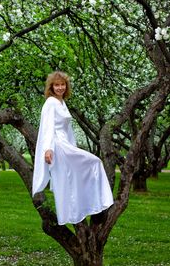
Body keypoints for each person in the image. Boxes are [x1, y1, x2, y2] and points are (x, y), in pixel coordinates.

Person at [32, 71, 114, 225]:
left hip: (66, 144)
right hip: (58, 145)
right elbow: (48, 127)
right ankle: (90, 204)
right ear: (51, 87)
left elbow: (67, 129)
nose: (60, 87)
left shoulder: (62, 102)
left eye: (62, 84)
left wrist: (73, 145)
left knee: (77, 174)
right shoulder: (50, 102)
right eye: (57, 85)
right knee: (91, 163)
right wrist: (48, 148)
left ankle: (87, 204)